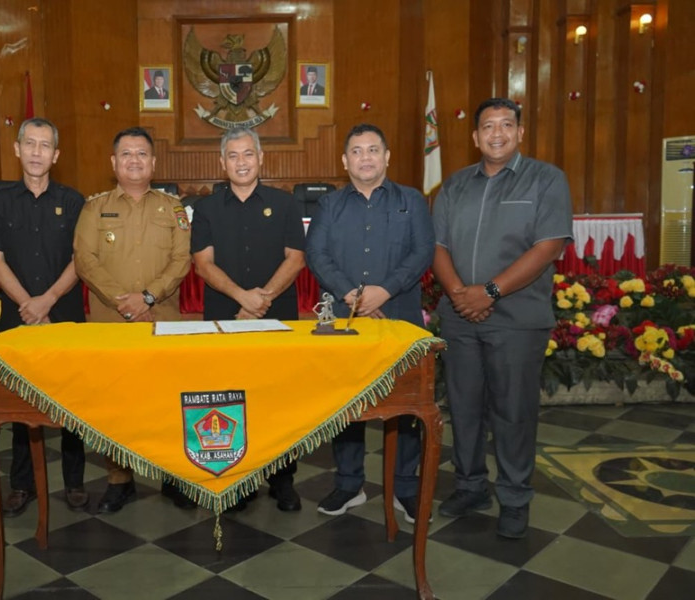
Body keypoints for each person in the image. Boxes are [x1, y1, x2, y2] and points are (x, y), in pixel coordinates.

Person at [432, 98, 572, 539]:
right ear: (475, 137)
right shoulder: (454, 186)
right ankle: (471, 485)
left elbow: (547, 246)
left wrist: (489, 292)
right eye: (488, 126)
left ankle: (514, 496)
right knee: (464, 406)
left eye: (506, 125)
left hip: (517, 318)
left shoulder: (547, 180)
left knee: (513, 411)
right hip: (460, 318)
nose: (497, 133)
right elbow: (438, 247)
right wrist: (460, 295)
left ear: (520, 132)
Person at [306, 123, 434, 521]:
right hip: (347, 321)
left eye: (373, 150)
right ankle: (348, 484)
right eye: (357, 151)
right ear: (345, 161)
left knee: (407, 407)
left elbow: (422, 252)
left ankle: (405, 487)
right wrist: (355, 296)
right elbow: (317, 254)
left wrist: (385, 291)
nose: (366, 157)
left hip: (400, 319)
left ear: (387, 156)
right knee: (348, 405)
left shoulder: (411, 201)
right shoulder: (329, 205)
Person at [73, 126, 191, 513]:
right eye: (126, 154)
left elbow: (181, 259)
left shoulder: (174, 208)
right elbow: (85, 260)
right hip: (111, 323)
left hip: (162, 320)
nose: (134, 160)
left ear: (153, 163)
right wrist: (122, 301)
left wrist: (148, 297)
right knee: (115, 404)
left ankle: (173, 477)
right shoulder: (94, 208)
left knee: (166, 400)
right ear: (113, 162)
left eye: (142, 154)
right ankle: (119, 480)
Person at [0, 117, 89, 517]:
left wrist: (49, 300)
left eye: (45, 146)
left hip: (65, 314)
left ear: (56, 154)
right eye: (30, 144)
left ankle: (74, 482)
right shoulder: (1, 201)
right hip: (19, 316)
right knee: (20, 402)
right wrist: (29, 303)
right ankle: (22, 484)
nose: (37, 152)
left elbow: (82, 259)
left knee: (71, 402)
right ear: (17, 149)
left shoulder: (75, 201)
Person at [190, 127, 305, 512]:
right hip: (225, 317)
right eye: (233, 156)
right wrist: (242, 298)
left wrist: (262, 299)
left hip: (275, 316)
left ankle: (283, 479)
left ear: (261, 158)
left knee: (278, 397)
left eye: (248, 154)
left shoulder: (285, 203)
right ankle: (238, 478)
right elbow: (202, 264)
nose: (241, 162)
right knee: (231, 397)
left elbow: (296, 258)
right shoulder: (205, 208)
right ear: (222, 163)